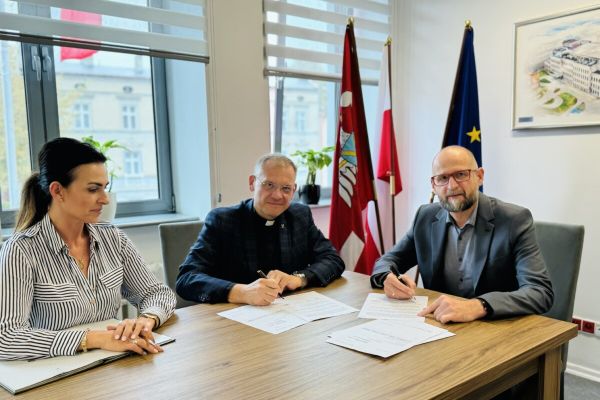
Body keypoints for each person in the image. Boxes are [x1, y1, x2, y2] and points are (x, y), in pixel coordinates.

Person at [0, 138, 176, 360]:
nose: (104, 199)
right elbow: (6, 337)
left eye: (105, 188)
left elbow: (157, 293)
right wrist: (95, 339)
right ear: (58, 191)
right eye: (93, 189)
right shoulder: (20, 250)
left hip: (114, 364)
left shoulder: (113, 238)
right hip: (57, 371)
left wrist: (146, 320)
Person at [371, 145, 553, 323]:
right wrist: (386, 277)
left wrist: (479, 305)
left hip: (493, 328)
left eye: (460, 175)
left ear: (479, 176)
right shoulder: (425, 217)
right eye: (442, 178)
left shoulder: (514, 220)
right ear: (433, 185)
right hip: (439, 324)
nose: (452, 186)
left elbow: (539, 292)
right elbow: (387, 261)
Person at [176, 154, 345, 305]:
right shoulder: (222, 220)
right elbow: (186, 279)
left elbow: (333, 259)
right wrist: (241, 292)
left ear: (293, 190)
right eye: (269, 185)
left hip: (288, 313)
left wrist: (299, 279)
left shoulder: (300, 215)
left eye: (286, 188)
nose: (277, 195)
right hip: (233, 318)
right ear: (252, 183)